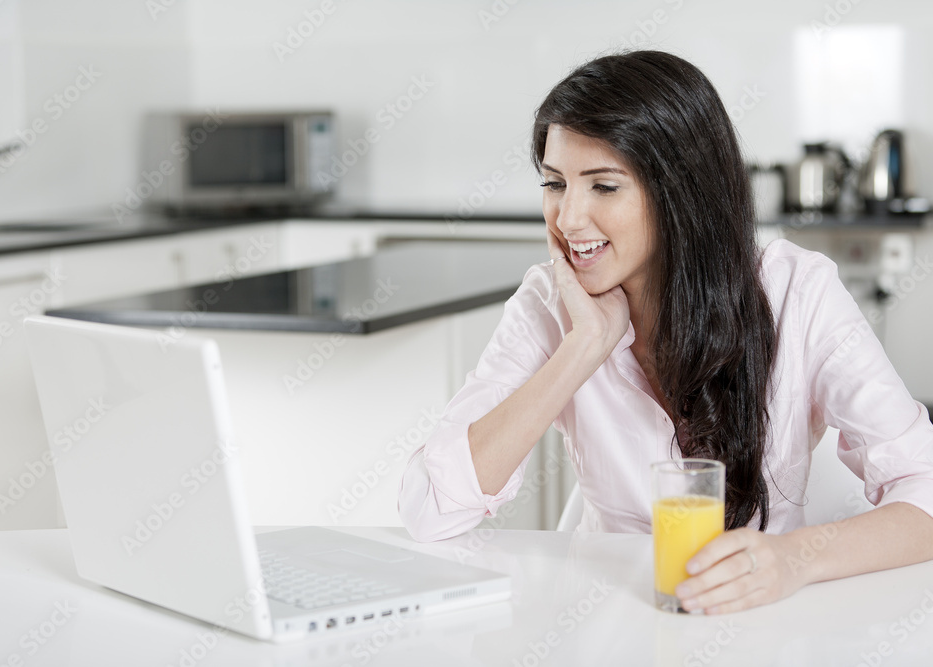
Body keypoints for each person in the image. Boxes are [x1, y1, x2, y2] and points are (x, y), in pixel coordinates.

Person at [397, 50, 933, 614]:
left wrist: (794, 559)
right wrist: (583, 347)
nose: (568, 218)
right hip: (605, 616)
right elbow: (429, 509)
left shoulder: (797, 293)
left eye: (604, 186)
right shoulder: (548, 305)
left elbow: (923, 485)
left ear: (682, 191)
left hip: (759, 618)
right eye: (555, 184)